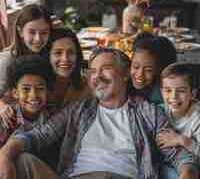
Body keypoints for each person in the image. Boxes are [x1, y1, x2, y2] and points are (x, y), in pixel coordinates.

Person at [0, 48, 198, 179]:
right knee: (21, 160)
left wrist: (187, 172)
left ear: (125, 74)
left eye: (105, 68)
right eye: (93, 71)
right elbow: (39, 135)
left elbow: (179, 156)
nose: (97, 76)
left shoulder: (148, 112)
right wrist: (5, 154)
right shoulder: (78, 110)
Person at [0, 27, 91, 129]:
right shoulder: (34, 80)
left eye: (71, 52)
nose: (65, 59)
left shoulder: (86, 86)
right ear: (48, 55)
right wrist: (2, 106)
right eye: (58, 53)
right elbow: (7, 98)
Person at [0, 54, 56, 147]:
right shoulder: (7, 119)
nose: (33, 95)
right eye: (26, 89)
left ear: (48, 91)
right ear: (15, 93)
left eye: (40, 88)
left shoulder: (54, 116)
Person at [157, 63, 200, 178]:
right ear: (161, 92)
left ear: (192, 94)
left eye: (181, 91)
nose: (174, 96)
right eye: (168, 90)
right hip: (169, 160)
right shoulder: (160, 110)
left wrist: (182, 140)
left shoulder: (197, 118)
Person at [0, 4, 52, 97]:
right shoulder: (8, 59)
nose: (38, 39)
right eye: (32, 32)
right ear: (20, 32)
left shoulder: (49, 55)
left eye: (44, 33)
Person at [129, 32, 177, 105]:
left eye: (148, 70)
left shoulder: (161, 97)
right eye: (136, 67)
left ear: (159, 70)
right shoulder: (123, 82)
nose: (140, 74)